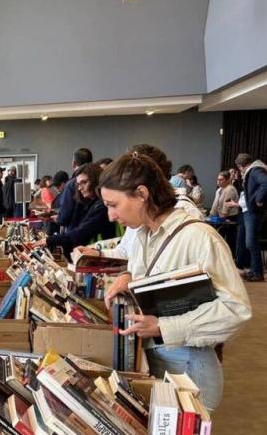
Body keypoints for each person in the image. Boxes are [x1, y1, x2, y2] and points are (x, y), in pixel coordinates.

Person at [101, 153, 251, 412]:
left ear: (142, 193)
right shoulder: (142, 235)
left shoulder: (199, 238)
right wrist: (128, 277)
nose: (111, 215)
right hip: (157, 363)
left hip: (189, 371)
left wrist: (163, 326)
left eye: (114, 204)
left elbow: (236, 310)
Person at [34, 164, 115, 256]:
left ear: (95, 181)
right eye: (79, 184)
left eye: (84, 182)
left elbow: (82, 232)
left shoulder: (101, 205)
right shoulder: (92, 203)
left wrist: (50, 240)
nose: (80, 188)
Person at [233, 153, 267, 281]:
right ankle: (254, 271)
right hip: (250, 212)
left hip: (253, 212)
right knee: (250, 243)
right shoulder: (255, 170)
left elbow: (266, 183)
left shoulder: (254, 171)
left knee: (251, 243)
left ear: (241, 166)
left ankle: (257, 273)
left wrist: (258, 200)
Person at [58, 148, 94, 230]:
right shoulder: (98, 179)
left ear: (73, 163)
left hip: (75, 232)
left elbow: (64, 217)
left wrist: (58, 218)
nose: (80, 187)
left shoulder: (70, 185)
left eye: (84, 183)